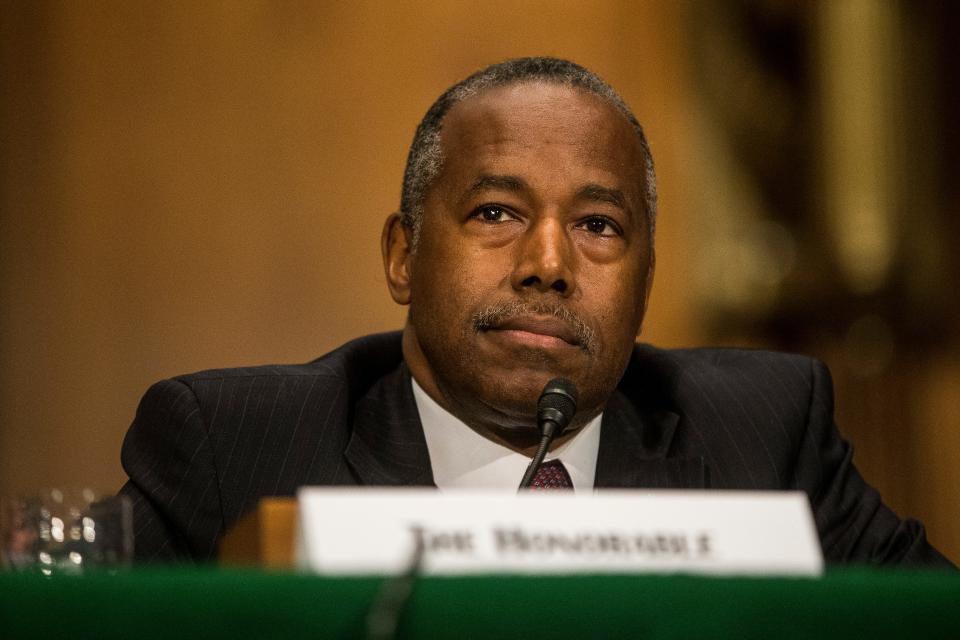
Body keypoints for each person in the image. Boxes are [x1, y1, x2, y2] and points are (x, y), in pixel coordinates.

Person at [119, 57, 953, 567]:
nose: (548, 266)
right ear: (402, 256)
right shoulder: (233, 447)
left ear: (646, 284)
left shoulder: (765, 437)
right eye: (495, 213)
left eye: (598, 227)